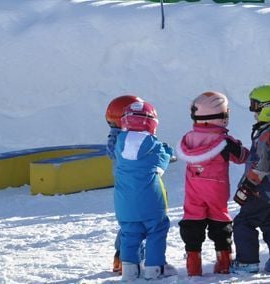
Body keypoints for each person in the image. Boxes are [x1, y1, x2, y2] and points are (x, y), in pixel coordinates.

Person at [177, 91, 249, 276]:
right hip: (216, 189)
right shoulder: (224, 142)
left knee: (192, 221)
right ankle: (223, 261)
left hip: (193, 190)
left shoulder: (188, 139)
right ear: (223, 116)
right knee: (219, 221)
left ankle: (193, 264)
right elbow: (242, 157)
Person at [231, 84, 270, 274]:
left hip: (261, 189)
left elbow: (262, 164)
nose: (253, 111)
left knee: (244, 222)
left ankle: (247, 262)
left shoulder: (268, 133)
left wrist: (247, 185)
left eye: (256, 106)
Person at [112, 100, 176, 280]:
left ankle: (130, 269)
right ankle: (155, 268)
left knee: (130, 233)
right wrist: (168, 152)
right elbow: (160, 166)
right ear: (151, 123)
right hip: (150, 200)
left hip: (124, 202)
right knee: (156, 230)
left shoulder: (119, 143)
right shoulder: (153, 145)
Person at [104, 94, 143, 276]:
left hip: (124, 190)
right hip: (135, 187)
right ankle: (132, 259)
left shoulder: (116, 137)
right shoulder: (126, 139)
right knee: (138, 222)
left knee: (129, 223)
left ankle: (120, 258)